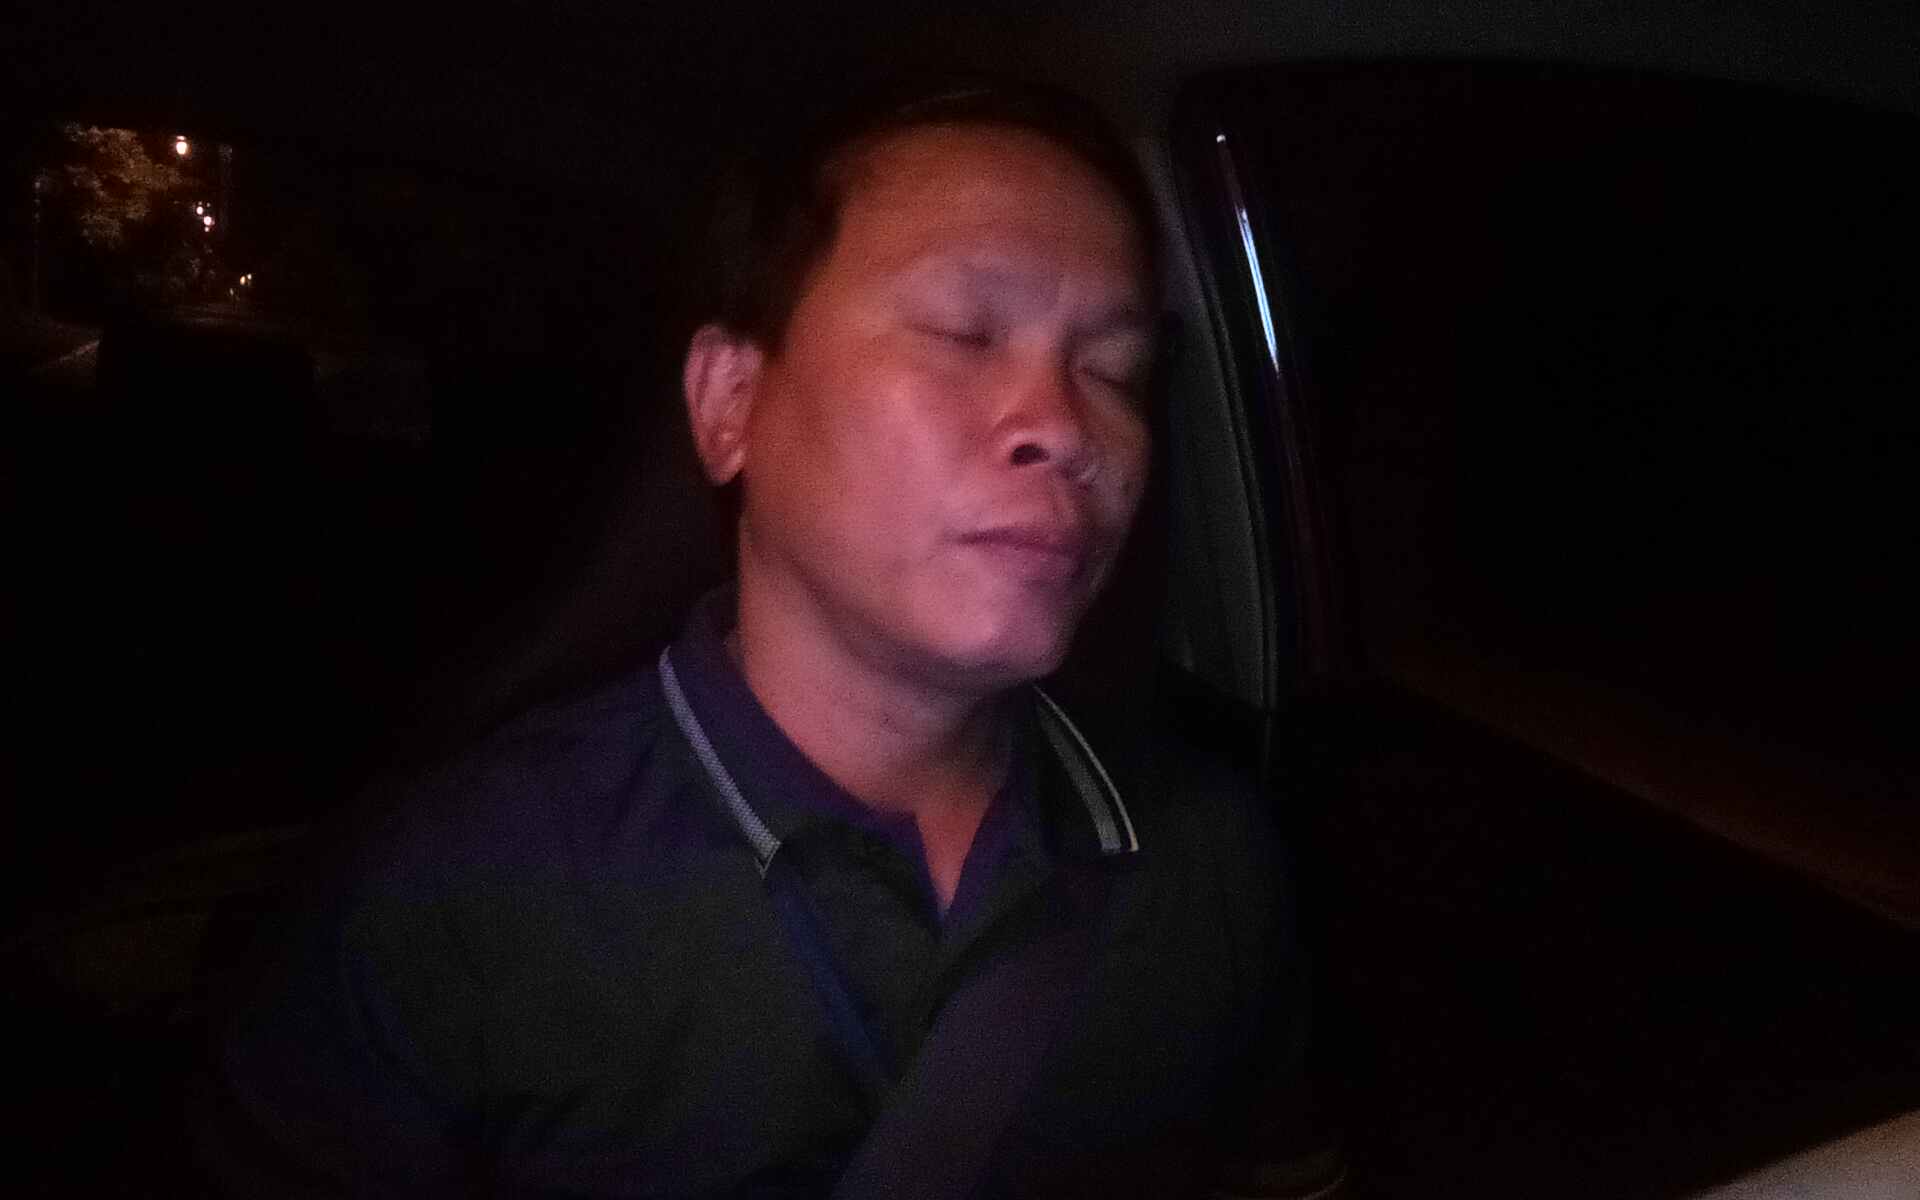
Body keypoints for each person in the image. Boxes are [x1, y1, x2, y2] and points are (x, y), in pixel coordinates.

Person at [193, 77, 1317, 1199]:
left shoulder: (1209, 860)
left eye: (1115, 371)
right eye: (963, 333)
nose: (1067, 428)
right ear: (729, 401)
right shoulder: (450, 897)